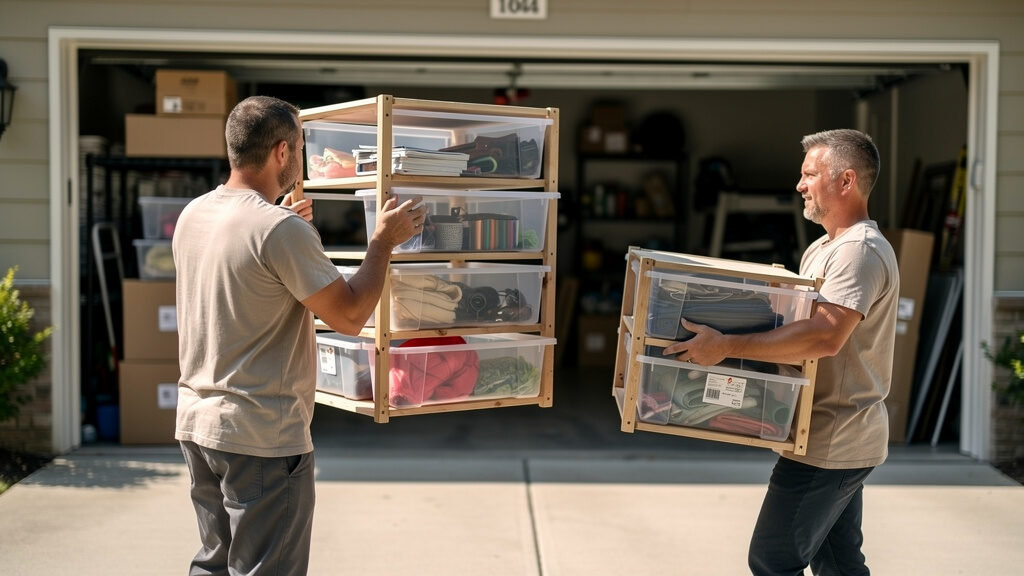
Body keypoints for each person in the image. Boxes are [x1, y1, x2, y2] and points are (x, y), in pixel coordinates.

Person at [172, 95, 426, 576]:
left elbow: (245, 283)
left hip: (199, 426)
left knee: (213, 566)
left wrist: (289, 228)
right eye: (303, 147)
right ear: (282, 153)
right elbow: (350, 315)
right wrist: (382, 243)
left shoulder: (194, 215)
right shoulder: (278, 230)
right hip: (260, 437)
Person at [664, 129, 899, 576]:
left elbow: (824, 337)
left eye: (810, 174)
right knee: (840, 563)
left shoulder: (859, 251)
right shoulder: (824, 248)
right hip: (824, 435)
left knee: (772, 560)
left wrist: (727, 346)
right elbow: (798, 329)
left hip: (833, 439)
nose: (800, 185)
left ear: (845, 181)